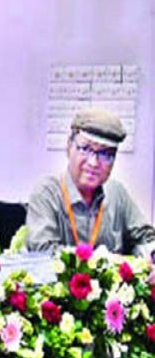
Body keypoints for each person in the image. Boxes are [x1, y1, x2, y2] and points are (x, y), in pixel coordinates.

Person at [27, 108, 155, 258]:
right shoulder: (47, 193)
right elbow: (42, 254)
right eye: (86, 149)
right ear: (69, 147)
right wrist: (103, 262)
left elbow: (146, 238)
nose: (94, 163)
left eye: (106, 154)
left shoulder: (116, 193)